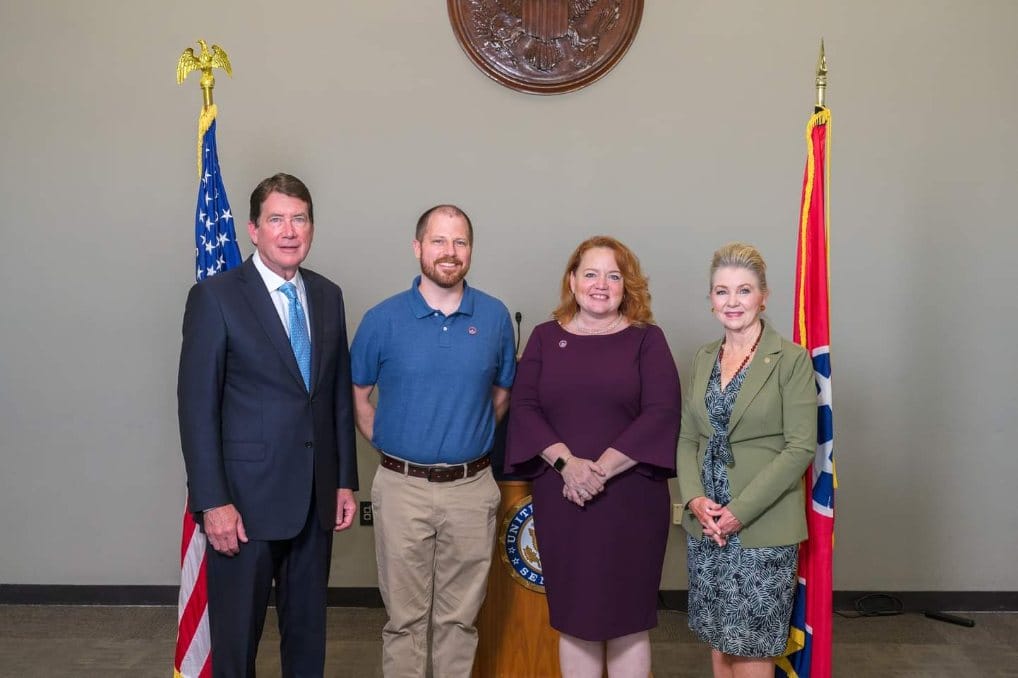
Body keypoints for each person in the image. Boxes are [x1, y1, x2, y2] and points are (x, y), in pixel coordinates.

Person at [177, 173, 359, 677]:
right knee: (237, 645)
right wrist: (212, 501)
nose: (289, 230)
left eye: (299, 218)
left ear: (312, 228)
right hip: (243, 505)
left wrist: (344, 480)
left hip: (314, 499)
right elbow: (196, 409)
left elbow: (335, 397)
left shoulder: (327, 295)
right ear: (254, 230)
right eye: (276, 219)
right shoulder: (215, 297)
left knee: (307, 640)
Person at [349, 204, 516, 678]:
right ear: (417, 247)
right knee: (404, 621)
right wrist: (395, 446)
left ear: (470, 251)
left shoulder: (495, 316)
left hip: (472, 488)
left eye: (460, 242)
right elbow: (359, 396)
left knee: (459, 620)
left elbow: (501, 394)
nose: (450, 252)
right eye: (439, 241)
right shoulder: (382, 319)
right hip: (402, 488)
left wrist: (466, 437)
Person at [505, 236, 681, 678]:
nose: (601, 284)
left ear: (627, 285)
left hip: (631, 500)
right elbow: (524, 410)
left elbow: (662, 411)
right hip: (563, 499)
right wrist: (568, 465)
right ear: (572, 279)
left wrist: (598, 469)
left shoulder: (648, 340)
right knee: (575, 620)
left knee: (628, 623)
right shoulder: (545, 339)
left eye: (614, 275)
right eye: (591, 273)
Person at [677, 242, 817, 678]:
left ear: (763, 296)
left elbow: (800, 448)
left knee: (751, 649)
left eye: (743, 290)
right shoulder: (702, 358)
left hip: (762, 526)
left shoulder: (791, 360)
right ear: (711, 299)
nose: (732, 302)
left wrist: (739, 512)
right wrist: (695, 500)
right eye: (722, 291)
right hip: (708, 527)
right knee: (720, 643)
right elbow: (686, 437)